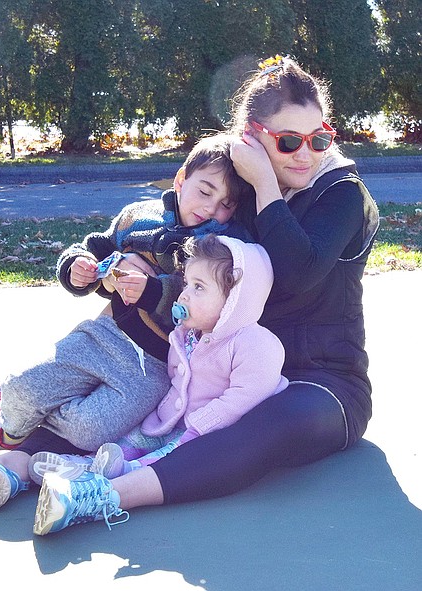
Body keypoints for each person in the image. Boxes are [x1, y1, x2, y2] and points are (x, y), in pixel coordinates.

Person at [32, 54, 380, 536]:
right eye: (289, 141)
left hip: (322, 384)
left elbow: (297, 272)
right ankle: (10, 464)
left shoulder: (341, 193)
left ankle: (101, 495)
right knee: (142, 404)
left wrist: (264, 181)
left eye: (320, 137)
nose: (307, 153)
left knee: (255, 424)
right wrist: (129, 264)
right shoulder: (234, 196)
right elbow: (179, 237)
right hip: (220, 364)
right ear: (252, 139)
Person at [0, 133, 253, 511]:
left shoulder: (215, 248)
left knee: (91, 430)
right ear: (180, 180)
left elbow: (207, 301)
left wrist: (152, 291)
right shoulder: (137, 217)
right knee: (23, 391)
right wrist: (77, 269)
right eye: (204, 191)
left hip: (156, 366)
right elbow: (93, 247)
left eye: (225, 204)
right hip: (104, 334)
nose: (211, 209)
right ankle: (8, 428)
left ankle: (21, 413)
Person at [28, 233, 288, 485]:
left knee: (162, 460)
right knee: (128, 442)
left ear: (235, 300)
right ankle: (84, 465)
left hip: (209, 434)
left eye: (199, 287)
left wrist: (199, 427)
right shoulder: (185, 337)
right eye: (187, 284)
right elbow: (175, 381)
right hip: (169, 423)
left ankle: (115, 475)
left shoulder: (256, 344)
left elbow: (242, 399)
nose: (184, 295)